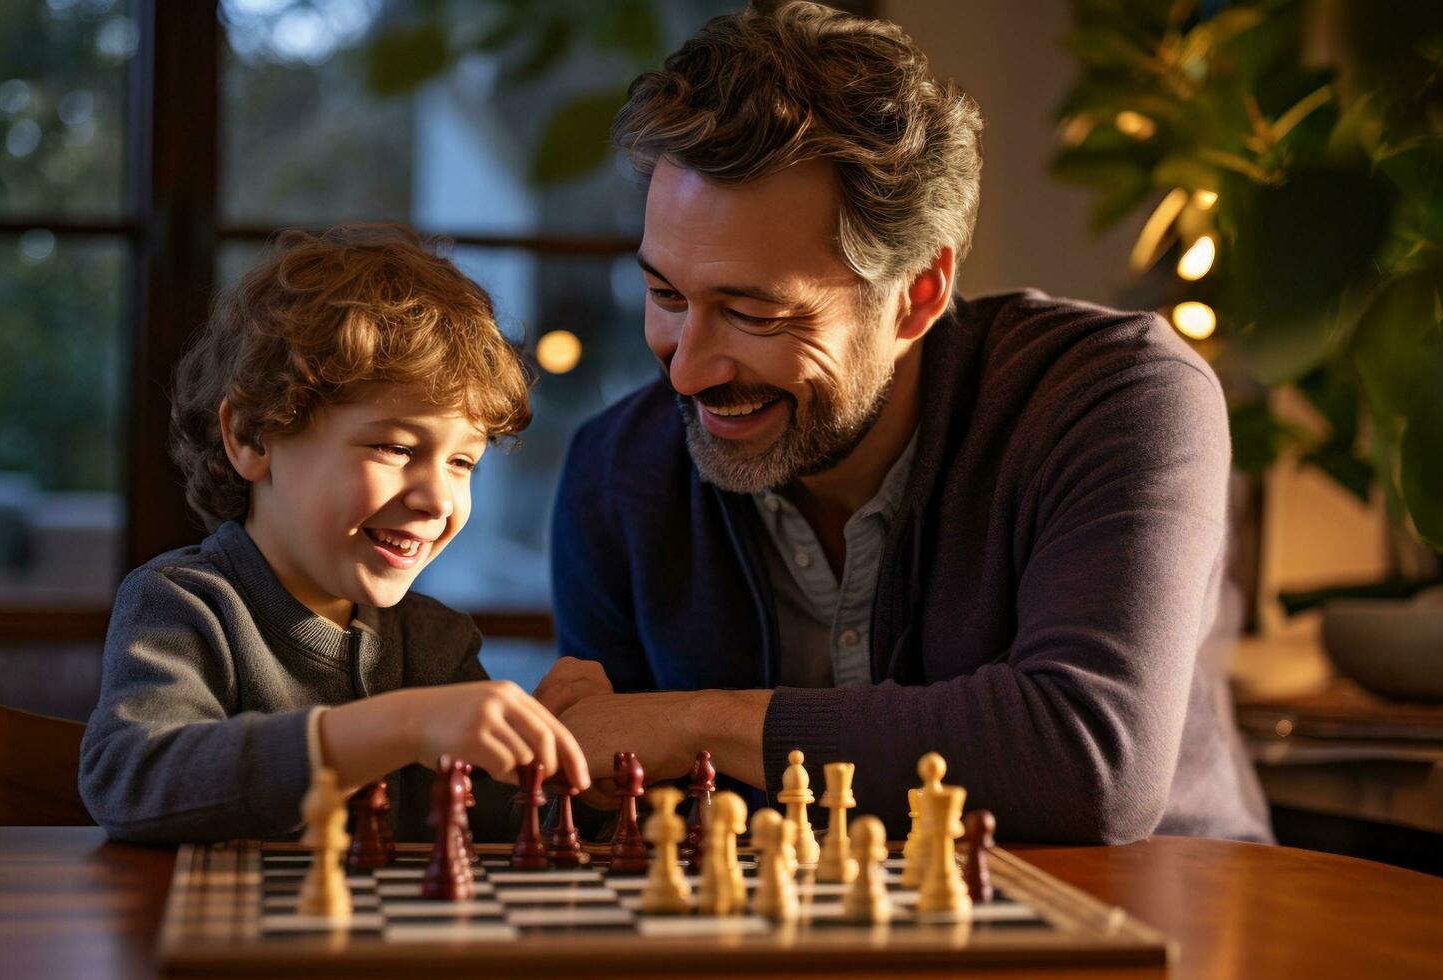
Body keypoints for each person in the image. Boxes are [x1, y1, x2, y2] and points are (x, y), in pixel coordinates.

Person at [534, 1, 1270, 844]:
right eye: (666, 295)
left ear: (917, 295)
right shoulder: (614, 471)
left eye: (755, 314)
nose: (689, 368)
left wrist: (691, 722)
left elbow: (1088, 765)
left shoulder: (1115, 396)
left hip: (1153, 937)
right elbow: (616, 811)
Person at [80, 225, 588, 843]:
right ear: (250, 436)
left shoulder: (434, 644)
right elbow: (132, 780)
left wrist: (579, 773)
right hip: (221, 936)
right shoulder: (184, 606)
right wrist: (399, 726)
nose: (437, 499)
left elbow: (497, 821)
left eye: (463, 463)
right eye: (394, 447)